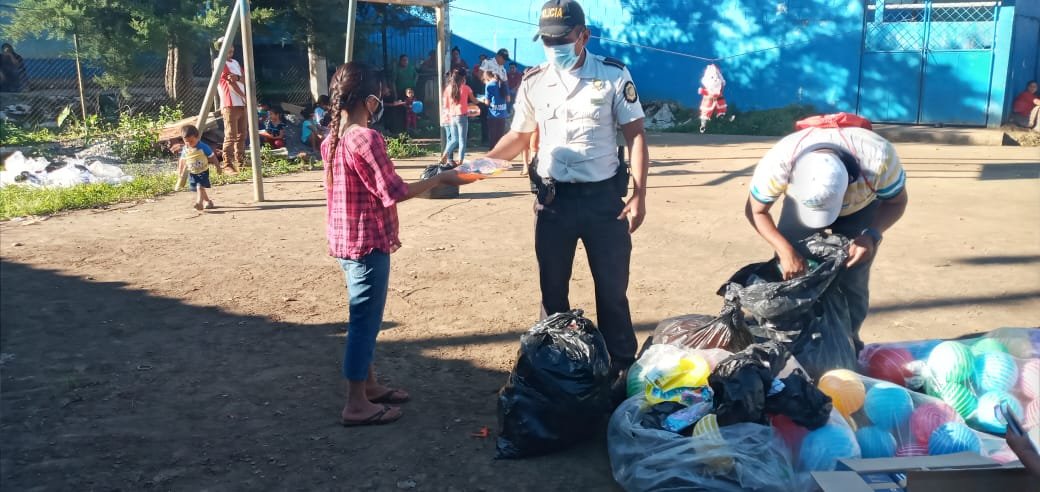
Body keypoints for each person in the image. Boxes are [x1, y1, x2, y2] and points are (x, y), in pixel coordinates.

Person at [483, 0, 650, 389]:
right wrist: (483, 164)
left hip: (604, 202)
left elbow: (636, 133)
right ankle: (553, 367)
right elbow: (519, 136)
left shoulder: (612, 75)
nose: (553, 46)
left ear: (583, 36)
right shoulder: (535, 80)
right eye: (547, 40)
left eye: (561, 39)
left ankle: (622, 370)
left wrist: (640, 194)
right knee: (552, 289)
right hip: (553, 202)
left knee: (612, 290)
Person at [322, 61, 474, 427]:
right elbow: (395, 192)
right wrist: (444, 178)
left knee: (363, 318)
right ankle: (356, 403)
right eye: (380, 94)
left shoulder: (331, 138)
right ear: (369, 98)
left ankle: (369, 386)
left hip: (345, 241)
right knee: (364, 323)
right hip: (367, 243)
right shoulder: (366, 138)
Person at [745, 123, 909, 352]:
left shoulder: (878, 158)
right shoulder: (779, 162)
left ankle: (848, 345)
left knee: (854, 276)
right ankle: (792, 341)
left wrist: (871, 235)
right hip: (800, 207)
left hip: (860, 207)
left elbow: (897, 202)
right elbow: (755, 210)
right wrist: (785, 251)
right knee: (789, 273)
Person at [214, 38, 245, 174]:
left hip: (243, 103)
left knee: (242, 134)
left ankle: (241, 161)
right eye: (227, 46)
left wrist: (238, 78)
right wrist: (244, 96)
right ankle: (227, 164)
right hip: (230, 103)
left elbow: (243, 77)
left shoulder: (236, 63)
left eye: (232, 46)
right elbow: (229, 81)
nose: (231, 49)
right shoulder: (219, 62)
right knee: (231, 135)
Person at [440, 68, 479, 166]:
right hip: (462, 116)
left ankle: (445, 153)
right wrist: (480, 100)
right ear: (463, 78)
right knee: (462, 140)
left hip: (452, 116)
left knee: (454, 139)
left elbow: (446, 105)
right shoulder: (466, 88)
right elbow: (474, 101)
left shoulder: (448, 88)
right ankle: (460, 161)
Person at [177, 124, 218, 211]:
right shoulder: (185, 149)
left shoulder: (203, 147)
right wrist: (180, 172)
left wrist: (218, 167)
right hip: (192, 172)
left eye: (191, 141)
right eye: (186, 141)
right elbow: (182, 160)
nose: (188, 143)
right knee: (199, 188)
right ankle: (208, 202)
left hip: (203, 170)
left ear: (197, 137)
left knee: (199, 186)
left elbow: (213, 156)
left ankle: (199, 203)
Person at [482, 70, 509, 149]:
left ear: (487, 77)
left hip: (493, 114)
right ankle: (500, 152)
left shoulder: (489, 85)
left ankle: (492, 154)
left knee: (492, 136)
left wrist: (483, 100)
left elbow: (487, 102)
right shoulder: (504, 84)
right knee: (500, 135)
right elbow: (508, 99)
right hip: (503, 114)